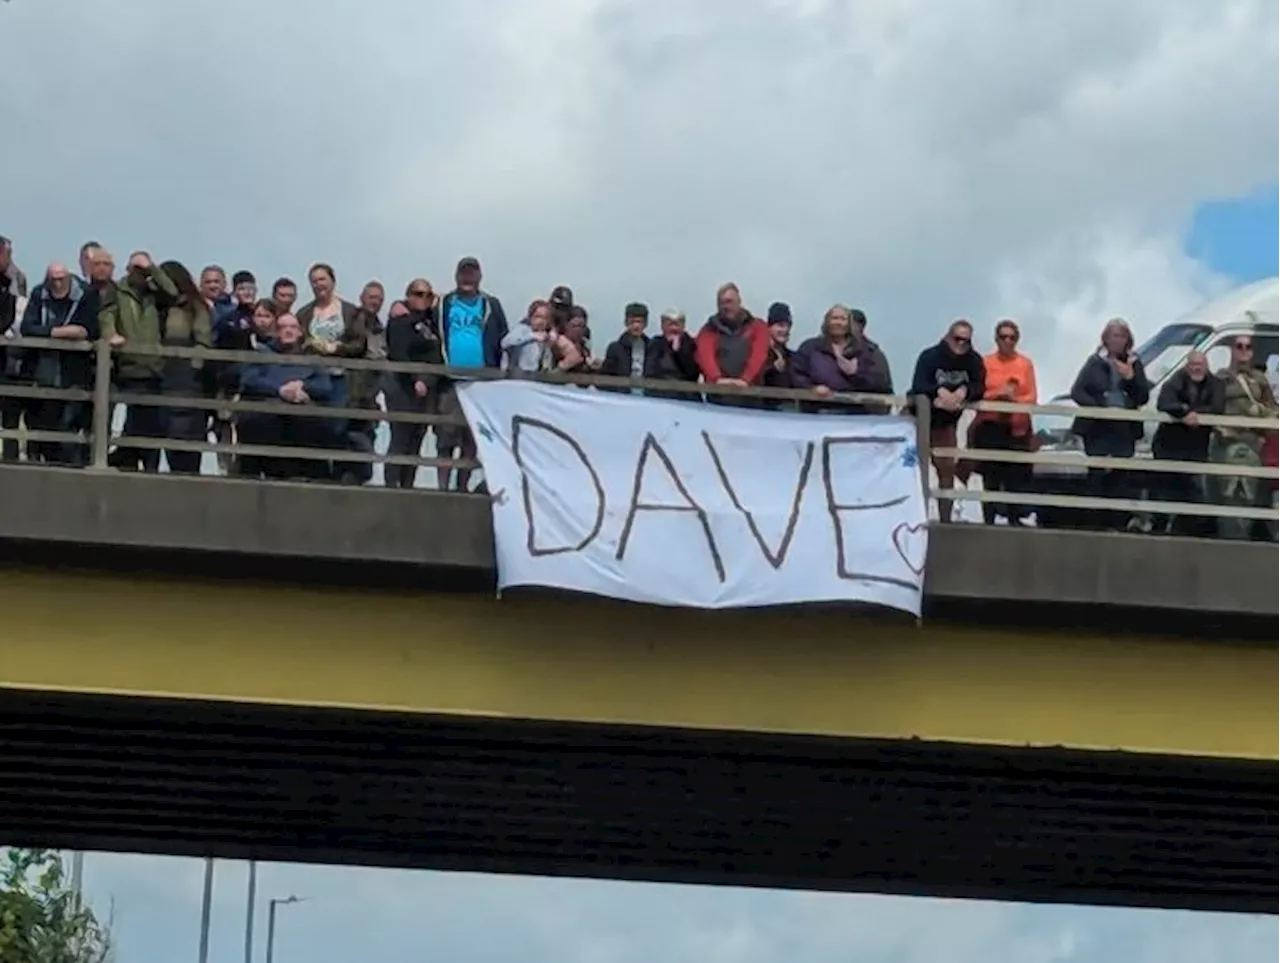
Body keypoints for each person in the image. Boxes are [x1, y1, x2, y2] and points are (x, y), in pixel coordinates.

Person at [1068, 318, 1152, 531]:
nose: (1118, 340)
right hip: (1097, 429)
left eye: (1122, 336)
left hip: (1124, 429)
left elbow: (1143, 396)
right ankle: (1095, 524)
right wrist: (1098, 408)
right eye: (1114, 335)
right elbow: (1077, 391)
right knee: (1097, 476)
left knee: (1120, 478)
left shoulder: (1134, 362)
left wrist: (1131, 378)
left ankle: (1117, 524)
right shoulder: (1095, 362)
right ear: (1105, 339)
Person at [433, 256, 508, 492]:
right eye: (464, 273)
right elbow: (428, 328)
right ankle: (443, 487)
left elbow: (503, 338)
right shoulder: (445, 303)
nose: (468, 278)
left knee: (472, 438)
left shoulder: (491, 304)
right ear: (457, 276)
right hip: (450, 380)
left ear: (479, 277)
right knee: (445, 437)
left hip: (481, 382)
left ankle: (462, 486)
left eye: (472, 274)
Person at [101, 251, 180, 472]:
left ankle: (150, 467)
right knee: (131, 420)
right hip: (127, 365)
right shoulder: (117, 290)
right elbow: (106, 314)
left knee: (151, 424)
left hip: (153, 368)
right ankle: (123, 461)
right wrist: (110, 334)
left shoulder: (153, 293)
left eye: (143, 271)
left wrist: (152, 267)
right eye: (136, 270)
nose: (140, 275)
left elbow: (173, 293)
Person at [295, 263, 371, 484]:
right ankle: (318, 472)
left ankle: (343, 472)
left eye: (322, 279)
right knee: (316, 425)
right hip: (315, 377)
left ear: (332, 281)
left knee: (341, 426)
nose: (319, 284)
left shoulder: (350, 311)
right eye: (314, 280)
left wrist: (333, 348)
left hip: (342, 377)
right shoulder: (305, 313)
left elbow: (360, 344)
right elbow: (298, 343)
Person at [236, 313, 336, 480]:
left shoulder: (312, 359)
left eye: (292, 327)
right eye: (283, 327)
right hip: (268, 420)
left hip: (303, 422)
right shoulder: (262, 354)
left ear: (300, 332)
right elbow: (249, 380)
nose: (288, 331)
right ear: (276, 332)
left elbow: (325, 386)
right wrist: (280, 391)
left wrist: (303, 386)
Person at [18, 263, 99, 465]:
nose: (57, 283)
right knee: (42, 425)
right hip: (43, 372)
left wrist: (50, 330)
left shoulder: (86, 295)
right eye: (53, 279)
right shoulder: (39, 294)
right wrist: (60, 332)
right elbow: (27, 327)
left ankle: (73, 467)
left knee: (68, 426)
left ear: (69, 278)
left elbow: (87, 329)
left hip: (74, 373)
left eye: (61, 278)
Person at [910, 320, 986, 523]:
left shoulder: (974, 360)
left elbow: (980, 386)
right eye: (957, 339)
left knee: (946, 471)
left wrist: (963, 392)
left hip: (945, 424)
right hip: (916, 420)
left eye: (966, 340)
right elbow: (918, 384)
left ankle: (945, 518)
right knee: (910, 469)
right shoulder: (930, 356)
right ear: (947, 337)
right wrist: (939, 392)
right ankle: (912, 517)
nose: (961, 344)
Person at [1210, 334, 1279, 540]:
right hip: (1229, 443)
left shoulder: (1259, 379)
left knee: (1253, 495)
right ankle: (1230, 542)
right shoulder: (1220, 378)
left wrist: (1264, 417)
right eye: (1239, 346)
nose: (1243, 351)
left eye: (1248, 347)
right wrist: (1220, 427)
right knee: (1232, 494)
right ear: (1232, 350)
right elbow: (1212, 408)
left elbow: (1271, 407)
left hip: (1254, 444)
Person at [970, 320, 1039, 525]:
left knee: (1015, 476)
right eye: (1003, 337)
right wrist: (997, 396)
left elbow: (1032, 396)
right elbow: (978, 392)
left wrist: (1013, 400)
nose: (1007, 341)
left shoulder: (1025, 364)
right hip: (990, 426)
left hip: (1016, 427)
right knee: (990, 476)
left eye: (1012, 337)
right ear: (996, 339)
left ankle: (1014, 518)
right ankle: (989, 518)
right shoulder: (985, 362)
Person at [1152, 351, 1222, 537]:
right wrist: (1184, 413)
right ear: (1186, 365)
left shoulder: (1215, 383)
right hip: (1169, 444)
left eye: (1201, 364)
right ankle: (1159, 528)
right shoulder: (1176, 380)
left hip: (1196, 447)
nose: (1197, 368)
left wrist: (1194, 413)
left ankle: (1190, 532)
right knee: (1164, 489)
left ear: (1207, 366)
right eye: (1193, 364)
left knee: (1194, 490)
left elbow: (1217, 407)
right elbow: (1164, 402)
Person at [385, 279, 444, 489]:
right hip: (402, 386)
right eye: (417, 294)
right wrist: (415, 378)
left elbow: (438, 355)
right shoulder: (400, 320)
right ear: (408, 295)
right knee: (400, 438)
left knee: (417, 439)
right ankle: (392, 487)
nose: (423, 299)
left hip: (426, 387)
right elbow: (398, 353)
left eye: (428, 295)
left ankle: (408, 486)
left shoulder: (432, 322)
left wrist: (427, 380)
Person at [157, 261, 214, 475]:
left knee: (186, 435)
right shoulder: (157, 305)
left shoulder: (195, 306)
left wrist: (193, 367)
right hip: (161, 373)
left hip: (186, 376)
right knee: (165, 432)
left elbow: (203, 342)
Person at [790, 304, 891, 413]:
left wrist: (856, 373)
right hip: (817, 412)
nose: (838, 322)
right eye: (834, 318)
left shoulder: (866, 351)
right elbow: (796, 373)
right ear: (827, 321)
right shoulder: (810, 348)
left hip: (854, 415)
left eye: (843, 319)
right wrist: (811, 388)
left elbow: (880, 383)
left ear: (849, 323)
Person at [695, 282, 771, 406]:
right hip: (718, 400)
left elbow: (760, 355)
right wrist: (717, 379)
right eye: (721, 303)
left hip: (751, 400)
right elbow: (704, 355)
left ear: (739, 301)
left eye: (729, 301)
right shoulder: (709, 329)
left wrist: (745, 380)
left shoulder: (757, 327)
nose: (725, 306)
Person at [0, 236, 28, 462]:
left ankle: (10, 456)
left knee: (10, 410)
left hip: (9, 356)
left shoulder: (16, 277)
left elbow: (16, 313)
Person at [643, 308, 701, 401]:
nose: (673, 328)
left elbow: (693, 374)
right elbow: (649, 373)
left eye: (677, 324)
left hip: (686, 398)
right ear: (662, 326)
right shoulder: (654, 344)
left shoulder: (691, 344)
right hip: (659, 397)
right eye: (670, 324)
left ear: (683, 326)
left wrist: (679, 351)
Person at [599, 302, 651, 393]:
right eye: (632, 322)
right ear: (626, 323)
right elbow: (605, 379)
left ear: (645, 324)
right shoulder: (615, 348)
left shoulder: (652, 347)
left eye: (639, 322)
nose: (636, 326)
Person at [501, 299, 554, 374]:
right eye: (538, 317)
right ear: (530, 317)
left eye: (545, 318)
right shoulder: (522, 329)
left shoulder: (545, 336)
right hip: (515, 376)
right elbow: (505, 342)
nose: (541, 321)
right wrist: (532, 336)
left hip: (533, 377)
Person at [762, 302, 795, 407]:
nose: (785, 330)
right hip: (761, 413)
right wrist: (771, 369)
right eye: (780, 325)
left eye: (788, 326)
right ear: (769, 327)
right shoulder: (758, 355)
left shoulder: (793, 357)